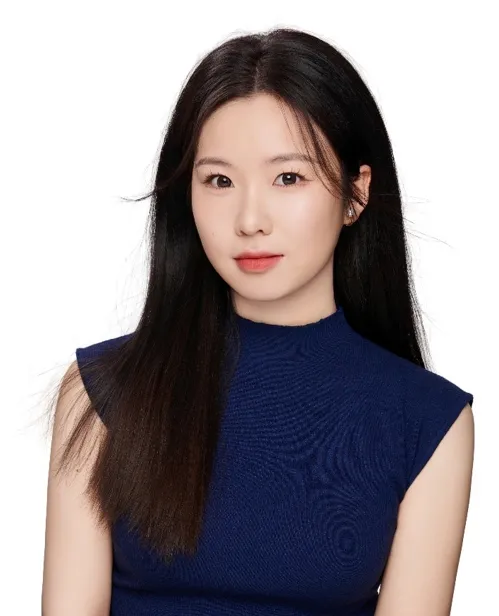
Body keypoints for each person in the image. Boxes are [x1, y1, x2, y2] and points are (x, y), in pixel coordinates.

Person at [42, 27, 474, 616]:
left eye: (288, 178)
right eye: (219, 181)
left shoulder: (426, 422)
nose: (249, 219)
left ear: (355, 195)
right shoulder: (99, 393)